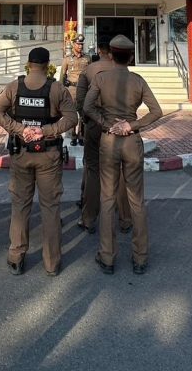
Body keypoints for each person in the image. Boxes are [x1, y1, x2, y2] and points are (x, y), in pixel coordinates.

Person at [0, 47, 78, 276]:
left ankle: (16, 257)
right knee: (50, 208)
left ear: (29, 64)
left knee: (20, 205)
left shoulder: (14, 87)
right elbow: (72, 118)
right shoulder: (57, 89)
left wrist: (19, 129)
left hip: (21, 153)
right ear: (47, 65)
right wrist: (46, 131)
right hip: (49, 155)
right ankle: (52, 263)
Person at [83, 35, 164, 275]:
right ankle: (140, 257)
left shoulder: (101, 78)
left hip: (109, 139)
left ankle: (107, 256)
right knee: (136, 200)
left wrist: (106, 123)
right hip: (131, 140)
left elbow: (87, 107)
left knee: (108, 198)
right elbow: (156, 111)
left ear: (111, 55)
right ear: (130, 57)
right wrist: (131, 125)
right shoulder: (137, 80)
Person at [75, 36, 132, 234]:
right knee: (121, 171)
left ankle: (89, 218)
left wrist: (87, 120)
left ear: (100, 50)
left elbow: (81, 100)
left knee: (92, 170)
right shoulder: (124, 71)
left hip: (95, 124)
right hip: (119, 125)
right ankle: (125, 219)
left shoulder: (89, 69)